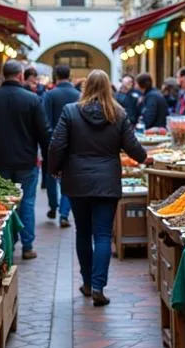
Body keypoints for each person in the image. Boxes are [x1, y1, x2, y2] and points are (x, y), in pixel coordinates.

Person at [47, 70, 147, 306]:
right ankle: (99, 285)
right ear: (107, 88)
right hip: (107, 180)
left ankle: (88, 283)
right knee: (103, 234)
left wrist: (55, 169)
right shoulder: (118, 113)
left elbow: (57, 144)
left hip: (77, 180)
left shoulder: (71, 111)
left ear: (86, 87)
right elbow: (132, 146)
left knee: (83, 232)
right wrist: (144, 158)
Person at [0, 59, 50, 260]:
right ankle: (27, 246)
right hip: (26, 161)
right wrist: (48, 157)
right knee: (27, 202)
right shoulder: (32, 99)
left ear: (3, 75)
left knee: (1, 203)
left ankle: (7, 246)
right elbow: (44, 132)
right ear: (20, 76)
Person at [42, 64, 80, 227]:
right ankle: (64, 213)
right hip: (74, 142)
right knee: (69, 178)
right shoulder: (78, 95)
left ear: (55, 76)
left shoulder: (50, 95)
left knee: (52, 175)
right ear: (69, 75)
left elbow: (45, 120)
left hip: (53, 141)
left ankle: (53, 206)